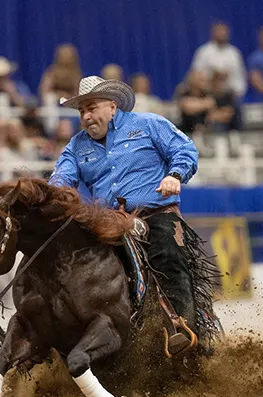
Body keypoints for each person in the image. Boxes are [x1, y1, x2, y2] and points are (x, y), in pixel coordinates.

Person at [48, 76, 202, 352]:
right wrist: (52, 198)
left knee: (167, 253)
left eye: (91, 107)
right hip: (107, 222)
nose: (86, 116)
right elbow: (60, 181)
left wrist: (174, 175)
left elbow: (184, 150)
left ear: (112, 106)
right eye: (81, 111)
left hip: (155, 213)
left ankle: (183, 327)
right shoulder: (76, 147)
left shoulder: (148, 124)